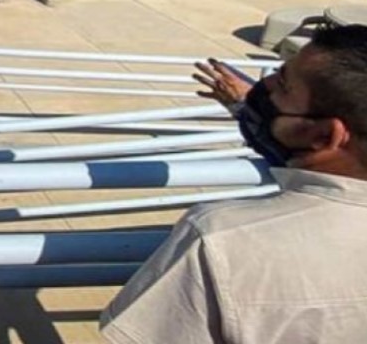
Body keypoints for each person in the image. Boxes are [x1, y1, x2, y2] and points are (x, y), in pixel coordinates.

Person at [101, 24, 367, 344]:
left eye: (282, 85)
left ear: (324, 136)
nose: (264, 86)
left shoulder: (222, 241)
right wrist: (245, 109)